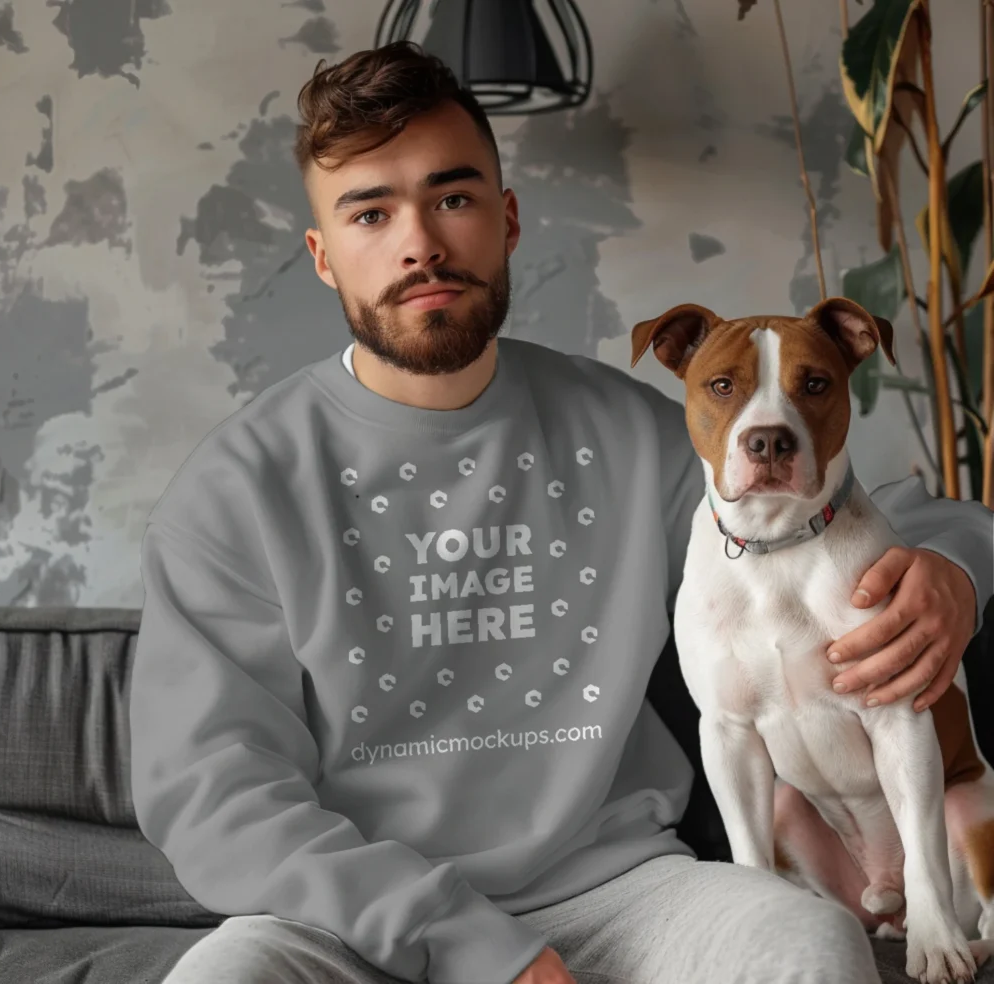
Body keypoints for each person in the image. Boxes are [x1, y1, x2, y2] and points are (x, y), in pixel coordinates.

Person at [129, 41, 994, 984]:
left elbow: (842, 514)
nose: (419, 241)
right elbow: (215, 796)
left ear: (505, 221)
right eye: (370, 212)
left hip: (621, 894)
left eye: (452, 197)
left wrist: (952, 574)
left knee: (808, 948)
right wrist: (468, 945)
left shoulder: (627, 431)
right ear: (324, 257)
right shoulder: (235, 489)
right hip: (345, 921)